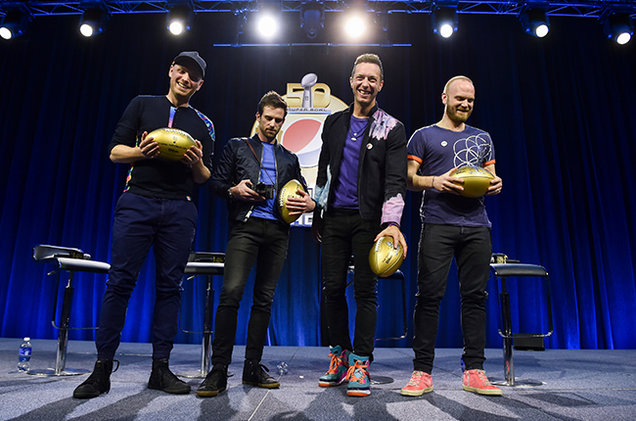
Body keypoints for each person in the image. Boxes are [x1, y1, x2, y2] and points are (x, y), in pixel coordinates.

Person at [73, 51, 214, 399]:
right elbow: (114, 152)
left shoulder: (204, 124)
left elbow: (205, 176)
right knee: (120, 282)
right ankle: (102, 368)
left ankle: (160, 369)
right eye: (181, 71)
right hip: (137, 201)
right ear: (171, 70)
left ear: (200, 84)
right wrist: (142, 151)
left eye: (193, 76)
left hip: (180, 210)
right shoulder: (142, 104)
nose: (186, 79)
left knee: (170, 288)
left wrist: (196, 162)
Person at [196, 91, 316, 397]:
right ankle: (219, 370)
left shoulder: (289, 158)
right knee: (231, 293)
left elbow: (301, 192)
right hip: (246, 227)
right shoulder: (238, 146)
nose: (273, 124)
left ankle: (252, 367)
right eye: (269, 118)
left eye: (279, 120)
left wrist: (310, 204)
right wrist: (235, 190)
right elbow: (216, 184)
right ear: (258, 117)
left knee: (264, 300)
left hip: (278, 232)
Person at [400, 75, 503, 397]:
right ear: (444, 97)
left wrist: (496, 184)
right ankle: (422, 372)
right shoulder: (423, 136)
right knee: (428, 297)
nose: (465, 104)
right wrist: (434, 181)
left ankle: (474, 370)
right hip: (437, 224)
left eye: (470, 100)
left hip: (476, 226)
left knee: (475, 298)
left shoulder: (483, 137)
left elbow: (491, 176)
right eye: (460, 98)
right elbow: (407, 178)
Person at [312, 53, 408, 397]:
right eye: (360, 77)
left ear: (380, 85)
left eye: (373, 79)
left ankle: (360, 362)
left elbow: (395, 180)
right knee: (332, 290)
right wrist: (318, 212)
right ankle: (339, 355)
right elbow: (324, 172)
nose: (365, 84)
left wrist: (392, 224)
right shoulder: (334, 123)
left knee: (366, 292)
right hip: (335, 217)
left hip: (371, 224)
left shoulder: (392, 128)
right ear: (351, 81)